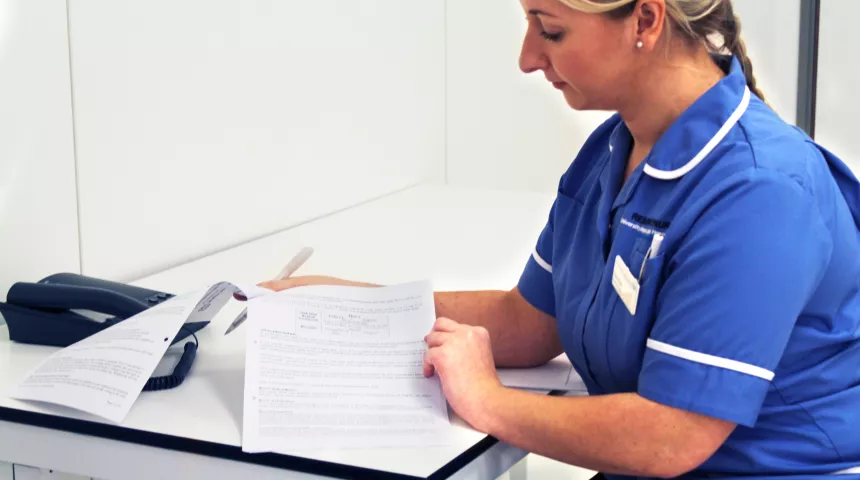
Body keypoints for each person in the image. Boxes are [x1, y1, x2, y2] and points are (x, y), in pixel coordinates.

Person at [260, 0, 860, 478]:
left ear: (645, 20)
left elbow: (672, 436)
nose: (526, 58)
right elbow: (530, 320)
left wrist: (488, 401)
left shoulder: (761, 191)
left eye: (549, 31)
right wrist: (353, 306)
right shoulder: (614, 150)